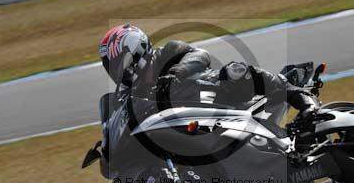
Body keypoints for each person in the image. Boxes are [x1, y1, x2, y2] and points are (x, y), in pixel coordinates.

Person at [98, 24, 317, 120]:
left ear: (137, 51)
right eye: (113, 67)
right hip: (188, 126)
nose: (118, 71)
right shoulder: (127, 92)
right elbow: (118, 115)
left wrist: (177, 73)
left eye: (120, 62)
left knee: (235, 71)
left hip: (215, 94)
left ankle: (300, 96)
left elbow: (200, 55)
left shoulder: (168, 52)